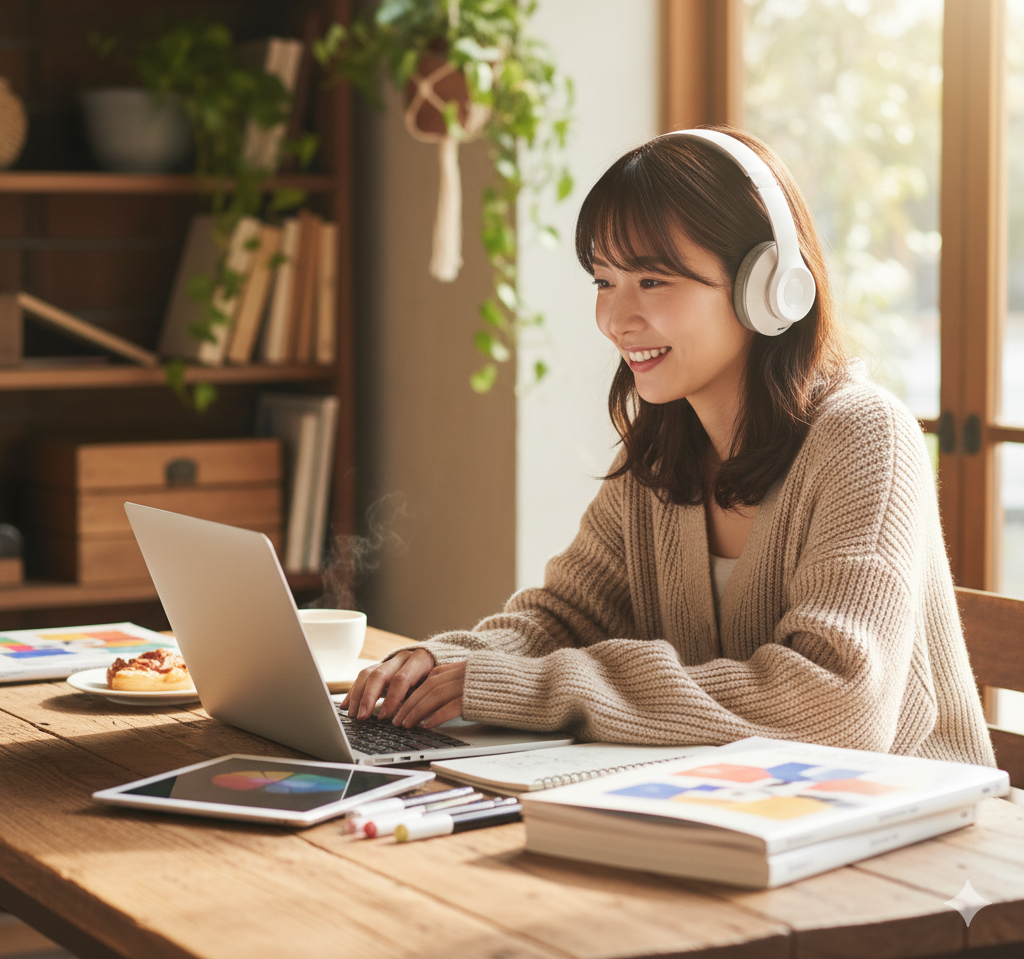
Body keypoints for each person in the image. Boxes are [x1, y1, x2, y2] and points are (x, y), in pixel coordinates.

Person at [343, 126, 995, 767]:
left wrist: (527, 689)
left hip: (904, 831)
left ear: (770, 287)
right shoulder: (663, 455)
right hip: (741, 810)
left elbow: (836, 706)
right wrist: (449, 661)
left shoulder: (864, 438)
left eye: (651, 282)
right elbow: (563, 619)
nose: (615, 319)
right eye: (603, 281)